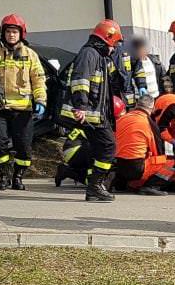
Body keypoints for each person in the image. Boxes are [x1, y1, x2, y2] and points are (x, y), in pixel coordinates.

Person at [0, 14, 46, 191]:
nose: (11, 35)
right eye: (8, 31)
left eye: (14, 32)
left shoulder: (30, 55)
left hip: (23, 109)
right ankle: (4, 176)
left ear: (21, 34)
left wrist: (41, 100)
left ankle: (18, 177)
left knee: (24, 146)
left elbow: (38, 80)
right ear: (2, 33)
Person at [60, 19, 125, 202]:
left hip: (94, 113)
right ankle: (95, 185)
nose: (115, 48)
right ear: (107, 39)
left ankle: (93, 186)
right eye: (114, 44)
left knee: (98, 148)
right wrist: (80, 106)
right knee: (108, 145)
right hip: (87, 113)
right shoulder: (89, 54)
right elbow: (81, 80)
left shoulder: (98, 55)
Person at [55, 96, 127, 187]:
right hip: (74, 150)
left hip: (81, 148)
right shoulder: (97, 123)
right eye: (118, 117)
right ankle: (67, 172)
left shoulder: (100, 118)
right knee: (93, 180)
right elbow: (95, 147)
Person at [114, 95, 175, 195]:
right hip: (136, 168)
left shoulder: (121, 119)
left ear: (137, 105)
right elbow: (157, 151)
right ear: (152, 108)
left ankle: (123, 183)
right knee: (171, 161)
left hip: (118, 165)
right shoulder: (148, 122)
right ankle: (151, 186)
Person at [111, 37, 147, 109]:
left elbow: (138, 69)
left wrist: (142, 85)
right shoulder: (105, 51)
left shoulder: (130, 49)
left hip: (128, 95)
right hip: (112, 95)